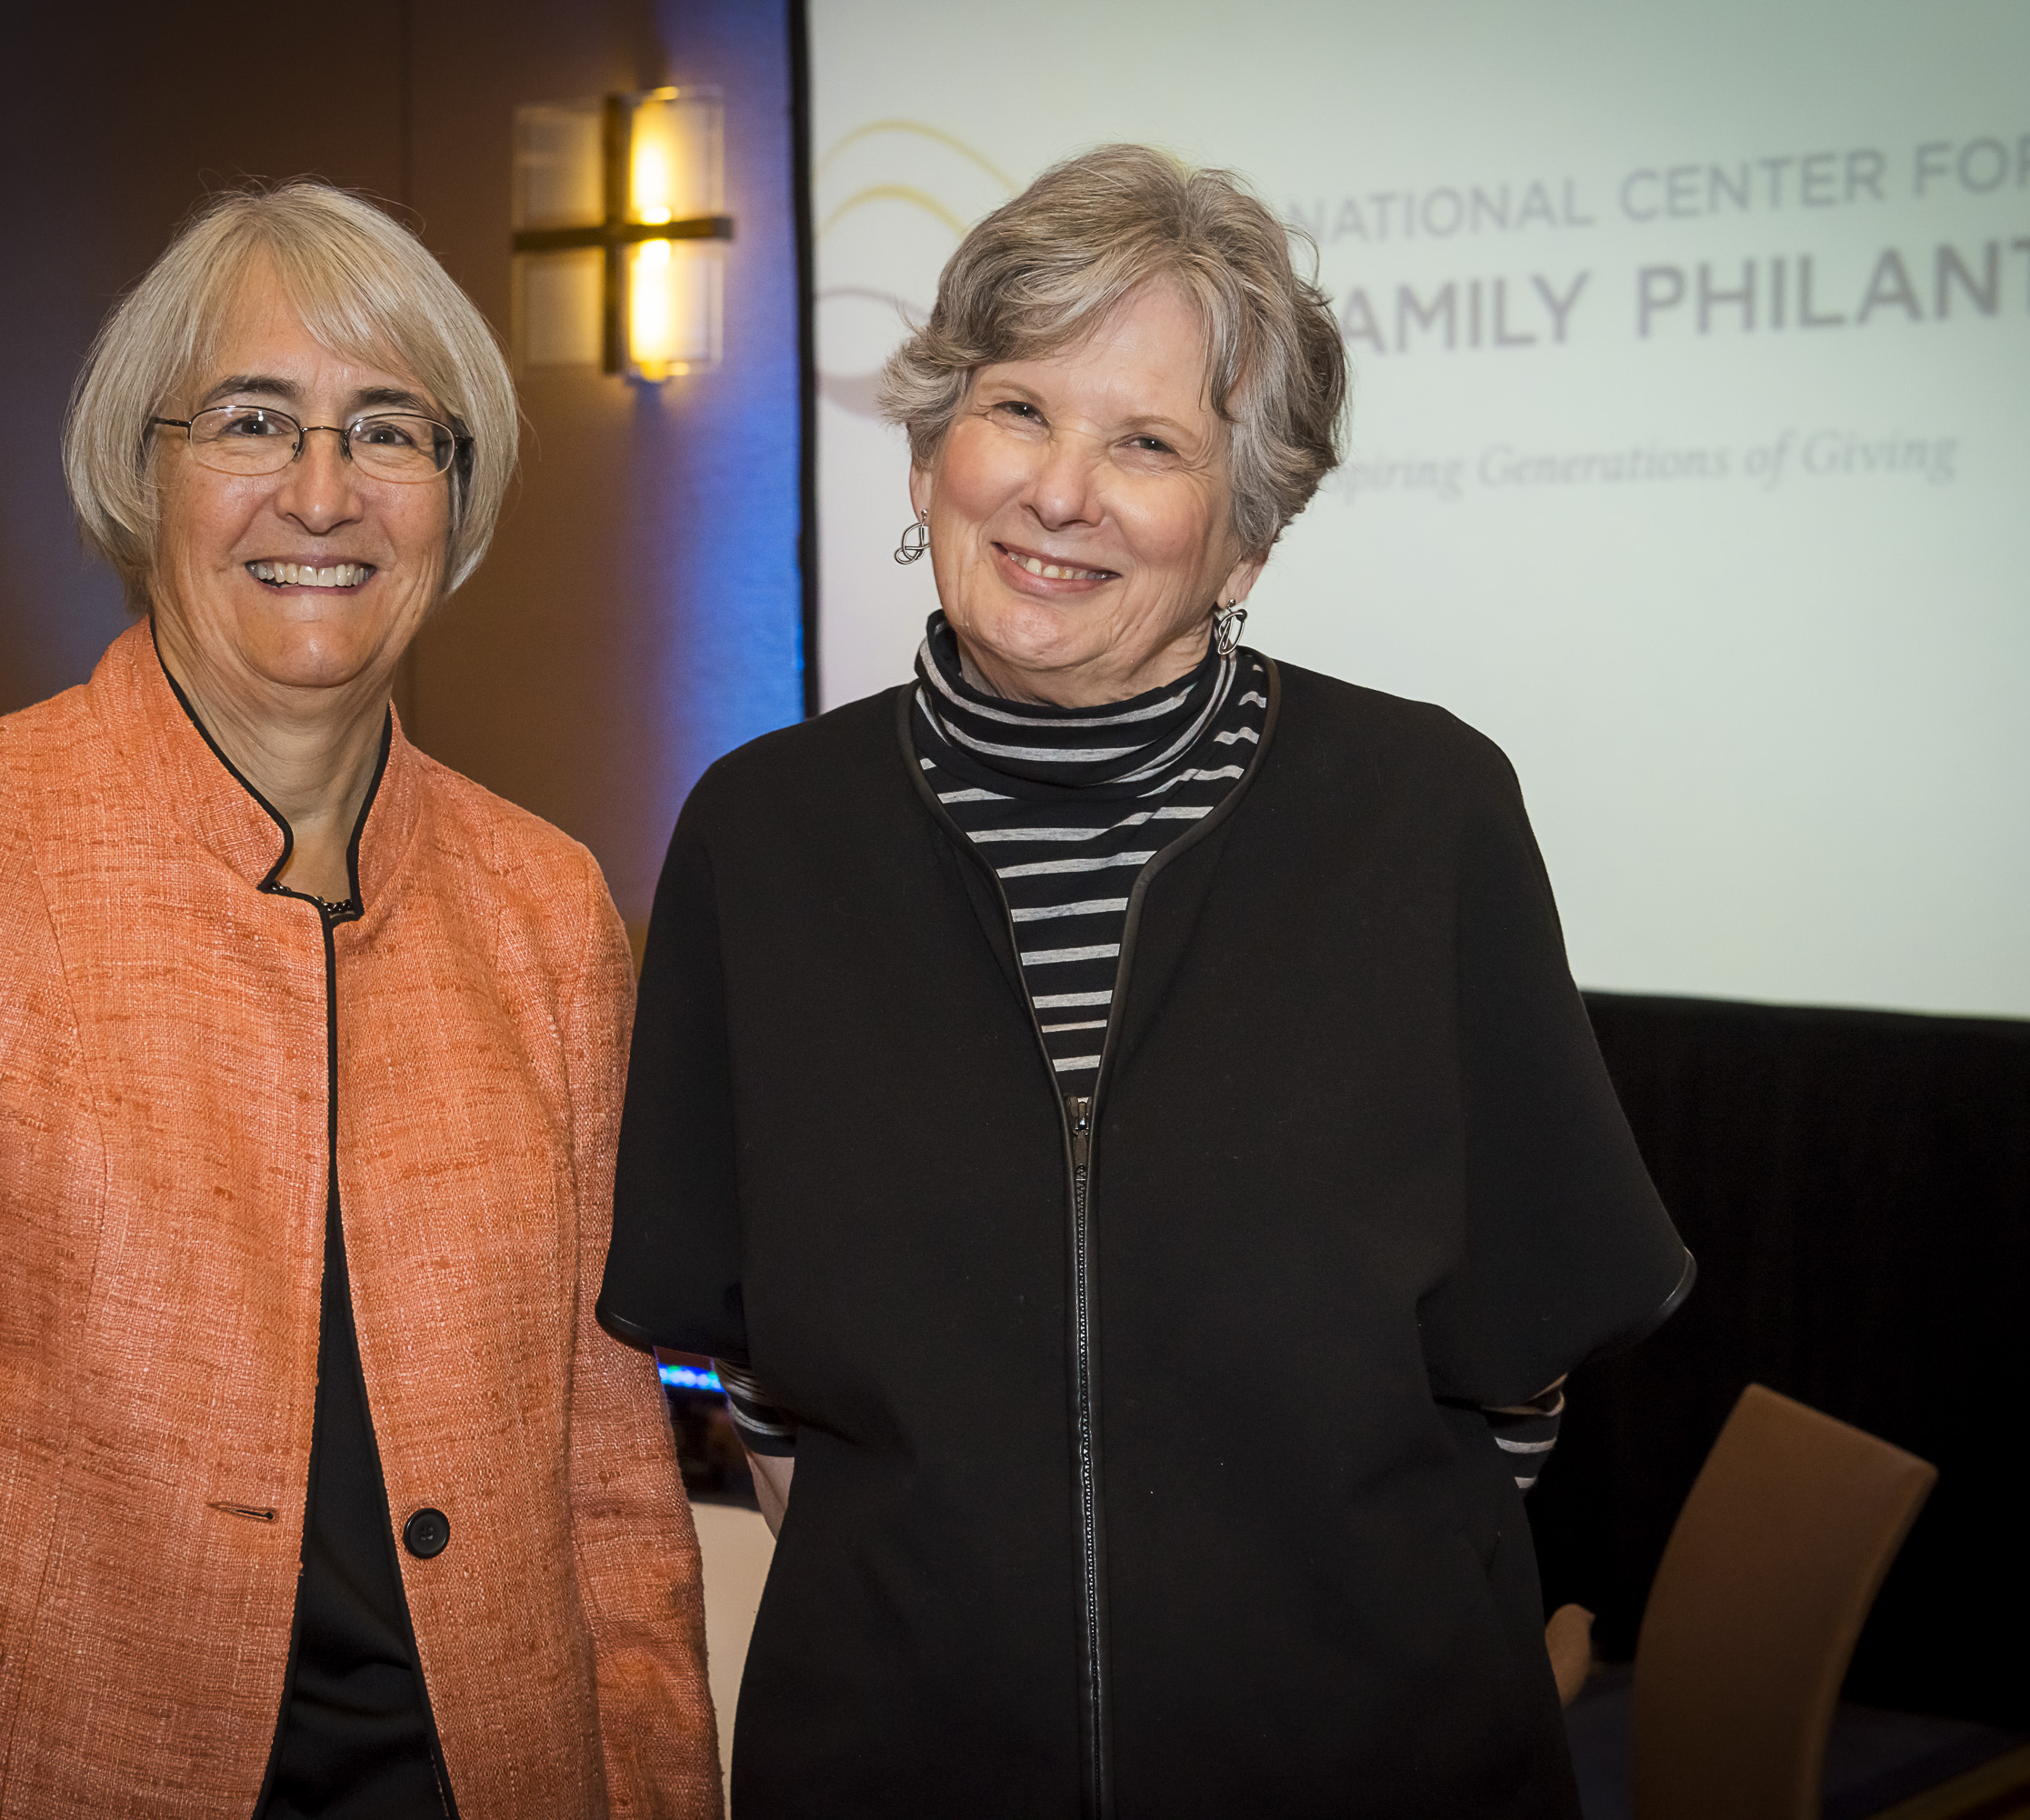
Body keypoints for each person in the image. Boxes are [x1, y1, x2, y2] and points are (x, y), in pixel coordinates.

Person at [596, 145, 1692, 1818]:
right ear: (927, 448)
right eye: (1019, 409)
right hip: (904, 1764)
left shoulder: (1424, 812)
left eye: (1150, 444)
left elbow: (1514, 1370)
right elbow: (754, 1372)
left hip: (1366, 1759)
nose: (1059, 491)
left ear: (1244, 540)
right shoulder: (762, 837)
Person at [0, 182, 720, 1820]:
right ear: (140, 467)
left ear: (455, 495)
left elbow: (611, 1491)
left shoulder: (548, 907)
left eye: (388, 431)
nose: (321, 491)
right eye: (252, 419)